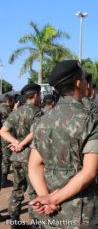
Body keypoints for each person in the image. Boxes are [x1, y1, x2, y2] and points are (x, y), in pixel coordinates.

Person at [28, 60, 98, 228]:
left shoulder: (42, 120)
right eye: (84, 78)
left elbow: (34, 165)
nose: (86, 83)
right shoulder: (89, 119)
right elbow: (90, 172)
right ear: (78, 83)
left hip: (50, 212)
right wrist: (52, 199)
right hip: (80, 211)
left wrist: (46, 198)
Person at [0, 84, 43, 227]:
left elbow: (3, 131)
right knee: (34, 192)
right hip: (32, 158)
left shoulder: (15, 112)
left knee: (17, 189)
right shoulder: (38, 113)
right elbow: (35, 132)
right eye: (40, 94)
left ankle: (15, 222)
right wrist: (22, 144)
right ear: (36, 95)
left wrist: (16, 143)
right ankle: (36, 223)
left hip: (16, 157)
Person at [0, 94, 15, 187]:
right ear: (8, 101)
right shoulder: (6, 109)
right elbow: (10, 123)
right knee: (6, 158)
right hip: (4, 137)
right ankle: (3, 180)